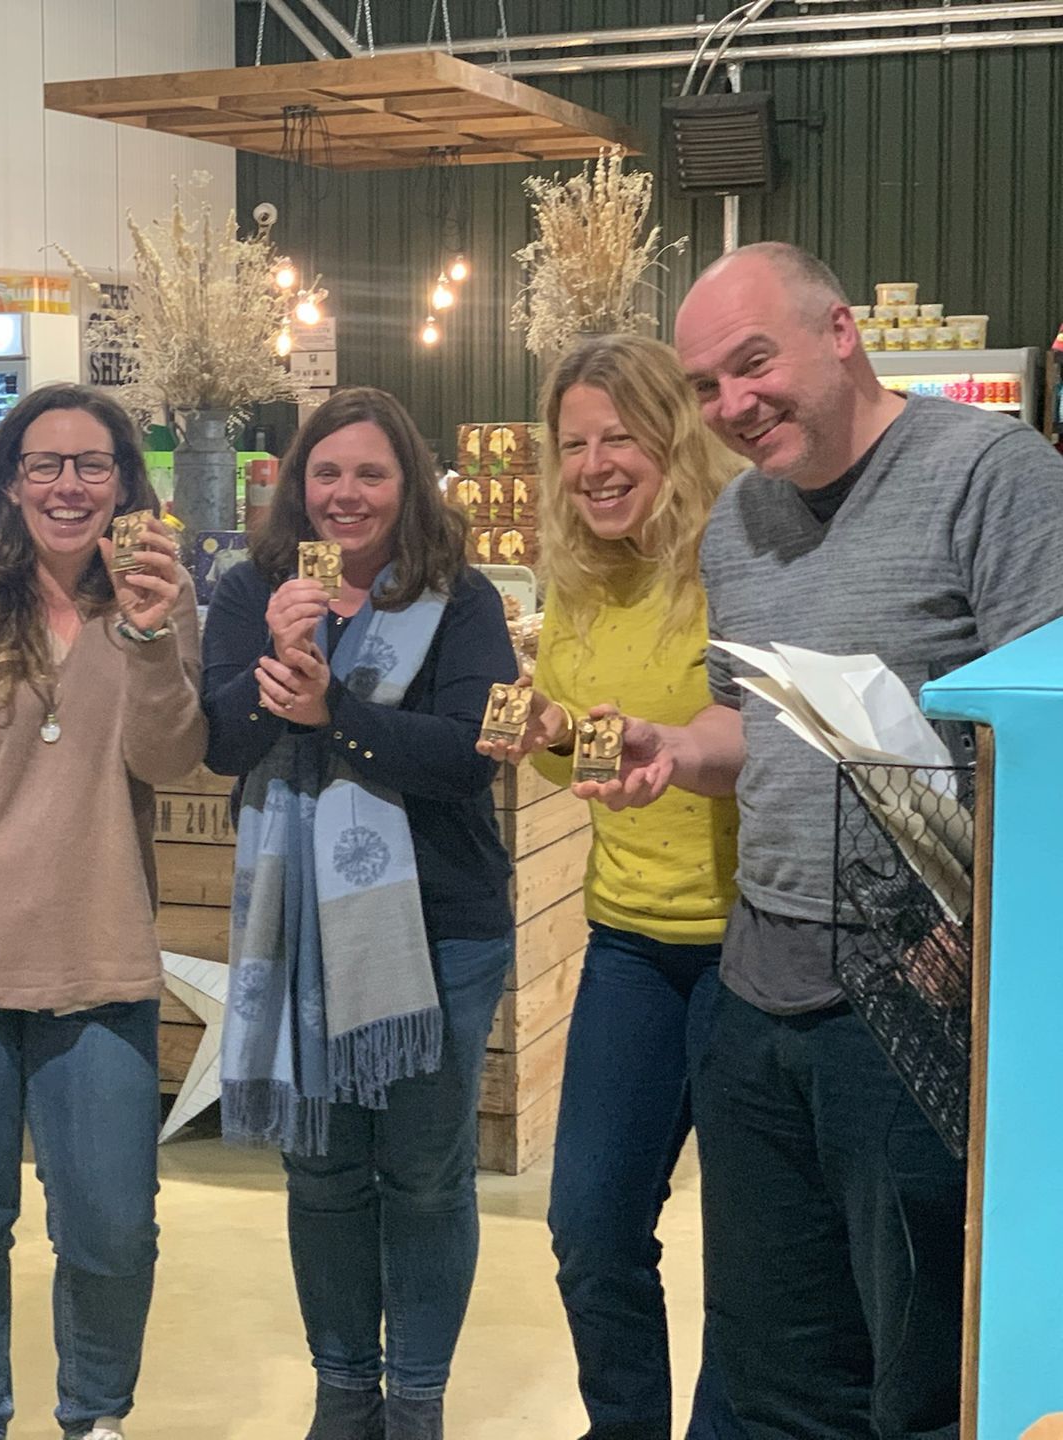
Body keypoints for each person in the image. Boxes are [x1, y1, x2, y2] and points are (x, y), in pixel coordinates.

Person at [591, 242, 1063, 1438]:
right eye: (705, 387)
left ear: (841, 332)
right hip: (758, 998)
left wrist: (987, 938)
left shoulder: (991, 476)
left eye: (754, 366)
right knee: (775, 1369)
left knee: (919, 1373)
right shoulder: (738, 525)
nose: (733, 407)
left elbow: (1052, 737)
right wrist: (676, 750)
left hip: (919, 1008)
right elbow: (756, 725)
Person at [0, 382, 205, 1440]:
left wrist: (150, 638)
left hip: (96, 959)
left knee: (111, 1227)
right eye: (45, 464)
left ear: (122, 483)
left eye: (91, 465)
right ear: (10, 482)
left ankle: (94, 1416)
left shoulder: (158, 596)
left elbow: (171, 757)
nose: (68, 485)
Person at [200, 387, 517, 1440]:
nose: (345, 494)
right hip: (298, 931)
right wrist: (276, 669)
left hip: (438, 924)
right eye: (326, 473)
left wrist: (336, 709)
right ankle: (344, 1392)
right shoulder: (253, 589)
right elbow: (224, 743)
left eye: (370, 474)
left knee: (424, 1175)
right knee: (324, 1171)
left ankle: (416, 1399)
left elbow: (469, 759)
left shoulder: (458, 600)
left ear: (407, 486)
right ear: (297, 485)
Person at [474, 335, 744, 1440]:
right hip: (629, 941)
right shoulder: (574, 577)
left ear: (673, 436)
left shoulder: (735, 559)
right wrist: (542, 734)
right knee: (589, 1221)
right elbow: (595, 748)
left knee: (757, 1246)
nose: (595, 465)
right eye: (574, 443)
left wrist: (681, 747)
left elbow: (754, 729)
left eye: (619, 437)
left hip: (754, 947)